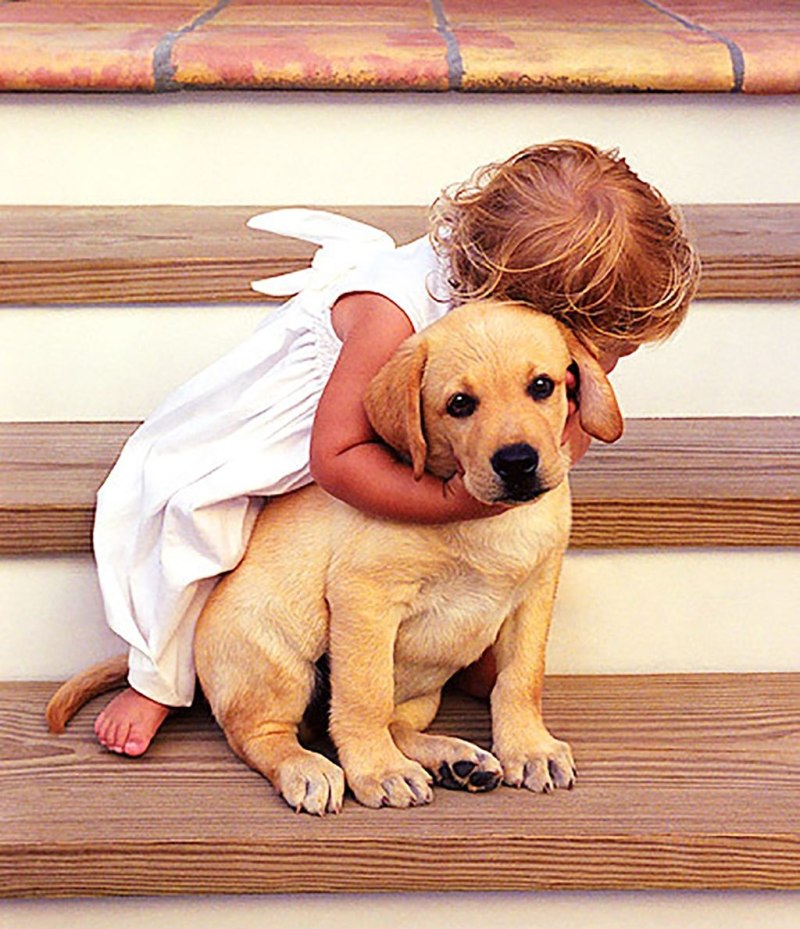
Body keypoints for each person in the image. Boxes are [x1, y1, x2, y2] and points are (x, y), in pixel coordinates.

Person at [92, 141, 700, 756]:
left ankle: (449, 655)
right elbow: (337, 459)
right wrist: (455, 501)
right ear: (522, 303)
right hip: (288, 432)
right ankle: (157, 678)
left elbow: (563, 432)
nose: (604, 371)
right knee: (201, 531)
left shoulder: (510, 335)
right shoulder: (389, 314)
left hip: (415, 416)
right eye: (604, 354)